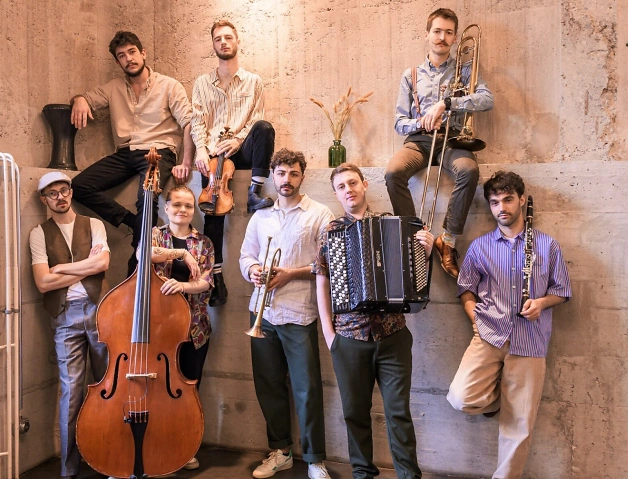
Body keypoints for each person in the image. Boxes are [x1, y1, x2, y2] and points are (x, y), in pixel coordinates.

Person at [447, 171, 572, 479]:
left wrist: (541, 303)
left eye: (507, 199)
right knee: (461, 397)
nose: (501, 207)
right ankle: (496, 403)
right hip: (489, 335)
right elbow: (465, 287)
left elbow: (562, 291)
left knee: (518, 427)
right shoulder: (480, 247)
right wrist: (474, 317)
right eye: (494, 202)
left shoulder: (547, 246)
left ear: (521, 200)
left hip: (530, 341)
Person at [315, 163, 434, 479]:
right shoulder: (331, 231)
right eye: (341, 186)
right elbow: (321, 282)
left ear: (364, 185)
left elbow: (414, 275)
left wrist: (425, 251)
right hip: (349, 338)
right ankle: (362, 473)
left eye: (353, 183)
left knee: (398, 412)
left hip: (393, 336)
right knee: (354, 414)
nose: (348, 190)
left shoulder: (391, 224)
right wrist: (329, 333)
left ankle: (409, 475)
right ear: (336, 194)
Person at [238, 149, 333, 479]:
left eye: (293, 173)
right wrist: (253, 270)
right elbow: (245, 256)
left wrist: (291, 274)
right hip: (261, 312)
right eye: (281, 173)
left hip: (299, 312)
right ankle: (280, 451)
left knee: (307, 389)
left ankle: (315, 459)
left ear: (302, 176)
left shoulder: (319, 213)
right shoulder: (260, 216)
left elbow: (328, 262)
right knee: (269, 386)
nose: (286, 179)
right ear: (273, 176)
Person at [69, 30, 194, 273]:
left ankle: (138, 259)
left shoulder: (169, 85)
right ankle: (132, 223)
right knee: (79, 186)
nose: (129, 58)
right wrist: (79, 100)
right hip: (126, 153)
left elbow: (189, 123)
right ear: (118, 62)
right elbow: (86, 98)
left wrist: (186, 161)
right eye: (122, 55)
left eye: (132, 52)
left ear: (143, 53)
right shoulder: (113, 87)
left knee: (146, 197)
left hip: (158, 151)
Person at [385, 7, 494, 278]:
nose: (442, 37)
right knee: (393, 173)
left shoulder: (465, 70)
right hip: (419, 140)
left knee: (469, 170)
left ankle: (447, 240)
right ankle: (413, 237)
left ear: (455, 38)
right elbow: (399, 122)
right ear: (427, 34)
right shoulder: (410, 75)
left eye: (448, 32)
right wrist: (421, 122)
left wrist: (447, 103)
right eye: (437, 31)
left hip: (452, 140)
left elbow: (487, 100)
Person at [28, 172, 111, 479]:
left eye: (64, 190)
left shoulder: (94, 224)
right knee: (71, 393)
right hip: (65, 317)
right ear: (44, 200)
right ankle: (69, 468)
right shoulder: (39, 233)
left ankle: (110, 457)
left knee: (108, 386)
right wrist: (86, 267)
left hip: (101, 312)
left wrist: (61, 268)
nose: (60, 197)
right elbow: (43, 282)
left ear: (71, 192)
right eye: (53, 194)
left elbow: (103, 264)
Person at [190, 19, 276, 306]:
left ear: (237, 41)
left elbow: (255, 116)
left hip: (242, 146)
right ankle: (216, 277)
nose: (223, 42)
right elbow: (198, 121)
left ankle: (254, 192)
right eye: (218, 39)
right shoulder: (202, 83)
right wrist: (201, 151)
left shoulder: (254, 81)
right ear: (213, 45)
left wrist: (238, 140)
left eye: (228, 37)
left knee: (264, 128)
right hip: (214, 152)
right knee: (213, 211)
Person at [148, 184, 214, 471]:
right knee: (155, 390)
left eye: (188, 205)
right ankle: (155, 444)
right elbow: (144, 255)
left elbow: (206, 282)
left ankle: (185, 448)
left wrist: (183, 286)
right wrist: (180, 253)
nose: (183, 210)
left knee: (188, 390)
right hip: (157, 328)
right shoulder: (155, 235)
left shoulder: (204, 243)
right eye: (177, 204)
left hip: (194, 329)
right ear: (166, 208)